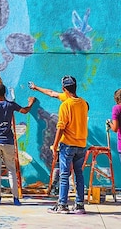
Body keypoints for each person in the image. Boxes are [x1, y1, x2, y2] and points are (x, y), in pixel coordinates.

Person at [0, 83, 34, 205]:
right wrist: (31, 103)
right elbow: (24, 111)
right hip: (8, 142)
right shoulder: (10, 105)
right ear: (4, 93)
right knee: (11, 170)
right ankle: (16, 198)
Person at [47, 76, 89, 214]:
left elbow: (61, 127)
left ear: (64, 89)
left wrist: (55, 145)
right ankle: (79, 205)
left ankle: (62, 205)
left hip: (68, 145)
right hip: (81, 144)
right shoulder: (83, 103)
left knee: (64, 175)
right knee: (79, 174)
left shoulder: (65, 105)